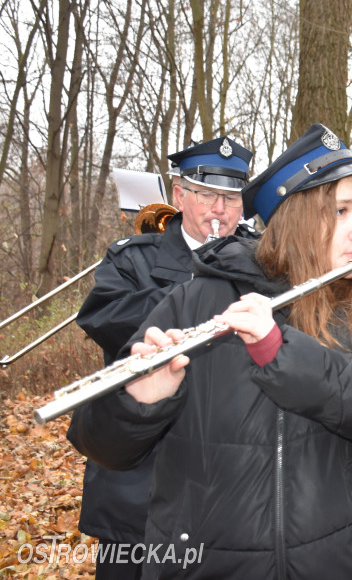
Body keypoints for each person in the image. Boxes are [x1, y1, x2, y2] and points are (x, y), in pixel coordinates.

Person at [68, 123, 352, 578]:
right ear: (294, 219)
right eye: (341, 211)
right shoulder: (193, 299)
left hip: (346, 560)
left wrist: (285, 354)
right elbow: (99, 443)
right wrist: (139, 402)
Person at [72, 136, 256, 580]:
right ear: (179, 195)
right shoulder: (134, 259)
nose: (220, 209)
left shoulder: (260, 260)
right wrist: (203, 289)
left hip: (229, 477)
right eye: (207, 194)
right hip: (141, 478)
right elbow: (104, 317)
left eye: (231, 197)